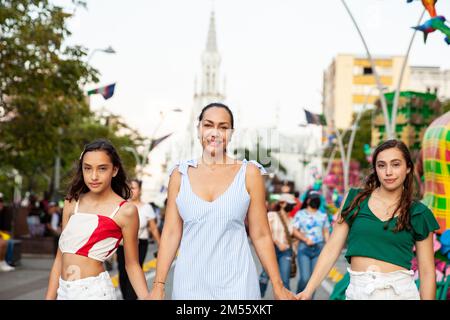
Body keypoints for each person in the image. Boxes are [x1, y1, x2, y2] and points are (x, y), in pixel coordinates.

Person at [148, 103, 296, 300]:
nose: (215, 133)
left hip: (238, 286)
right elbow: (171, 233)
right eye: (208, 125)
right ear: (199, 129)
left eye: (223, 127)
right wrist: (158, 285)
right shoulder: (179, 175)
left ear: (231, 133)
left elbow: (260, 234)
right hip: (189, 286)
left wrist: (278, 286)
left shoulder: (248, 173)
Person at [297, 139, 440, 300]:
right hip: (358, 292)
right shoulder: (354, 199)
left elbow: (427, 271)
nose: (388, 172)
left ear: (407, 168)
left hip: (400, 293)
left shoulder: (419, 212)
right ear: (375, 169)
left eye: (395, 164)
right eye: (381, 165)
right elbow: (332, 248)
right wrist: (308, 290)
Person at [45, 139, 149, 300]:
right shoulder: (72, 202)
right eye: (87, 168)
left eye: (102, 169)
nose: (93, 176)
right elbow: (60, 257)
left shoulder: (125, 211)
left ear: (114, 170)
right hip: (64, 291)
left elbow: (132, 264)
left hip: (94, 292)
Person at [117, 178, 160, 300]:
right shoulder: (122, 205)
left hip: (140, 243)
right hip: (122, 245)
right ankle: (127, 297)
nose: (131, 190)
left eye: (134, 188)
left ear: (140, 190)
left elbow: (153, 229)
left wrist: (161, 246)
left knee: (135, 269)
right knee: (122, 273)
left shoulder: (147, 208)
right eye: (129, 188)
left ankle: (131, 297)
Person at [259, 193, 305, 297]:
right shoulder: (272, 215)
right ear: (282, 203)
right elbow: (267, 232)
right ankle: (257, 296)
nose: (292, 206)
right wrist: (278, 243)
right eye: (290, 204)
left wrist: (305, 239)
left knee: (285, 280)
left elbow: (294, 234)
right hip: (271, 249)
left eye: (293, 204)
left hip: (286, 251)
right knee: (265, 276)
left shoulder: (291, 220)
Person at [292, 193, 330, 295]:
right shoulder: (300, 214)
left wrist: (328, 246)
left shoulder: (323, 215)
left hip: (319, 248)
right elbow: (294, 230)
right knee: (305, 278)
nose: (315, 200)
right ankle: (298, 297)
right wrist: (305, 239)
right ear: (308, 201)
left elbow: (326, 231)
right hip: (304, 248)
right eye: (313, 198)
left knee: (313, 281)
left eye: (317, 199)